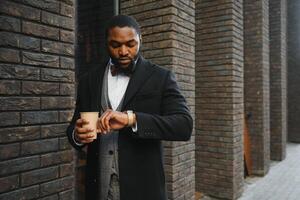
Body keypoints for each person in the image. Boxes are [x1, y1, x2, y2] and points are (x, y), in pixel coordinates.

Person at [66, 15, 193, 200]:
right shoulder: (88, 80)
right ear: (106, 44)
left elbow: (184, 125)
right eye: (115, 45)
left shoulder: (161, 77)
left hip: (143, 189)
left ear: (141, 40)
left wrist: (132, 119)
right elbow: (72, 129)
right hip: (98, 189)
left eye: (131, 44)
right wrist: (77, 135)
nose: (123, 51)